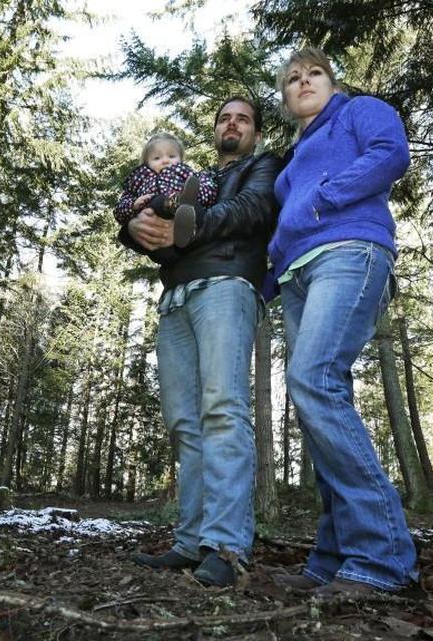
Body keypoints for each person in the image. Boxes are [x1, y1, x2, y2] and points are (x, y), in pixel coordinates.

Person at [268, 48, 418, 596]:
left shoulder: (360, 112)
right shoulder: (291, 158)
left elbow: (390, 153)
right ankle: (331, 559)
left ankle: (382, 560)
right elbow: (284, 225)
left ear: (333, 84)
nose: (303, 82)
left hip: (350, 251)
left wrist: (326, 197)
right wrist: (269, 278)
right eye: (292, 79)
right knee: (316, 407)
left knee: (314, 380)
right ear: (285, 98)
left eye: (314, 74)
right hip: (297, 276)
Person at [120, 96, 281, 587]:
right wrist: (135, 227)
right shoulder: (182, 177)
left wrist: (185, 227)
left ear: (254, 131)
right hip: (176, 298)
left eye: (244, 119)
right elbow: (146, 223)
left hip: (227, 286)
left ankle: (227, 547)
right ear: (214, 129)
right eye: (224, 118)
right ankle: (190, 542)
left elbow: (252, 211)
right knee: (184, 424)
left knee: (223, 410)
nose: (233, 125)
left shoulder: (263, 166)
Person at [113, 132, 217, 248]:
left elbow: (209, 190)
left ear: (181, 159)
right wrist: (132, 205)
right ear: (147, 163)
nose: (165, 161)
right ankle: (174, 204)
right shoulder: (139, 180)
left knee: (193, 211)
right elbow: (119, 211)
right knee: (156, 201)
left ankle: (180, 209)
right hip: (154, 223)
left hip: (187, 218)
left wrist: (197, 193)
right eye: (157, 158)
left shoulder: (185, 173)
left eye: (172, 156)